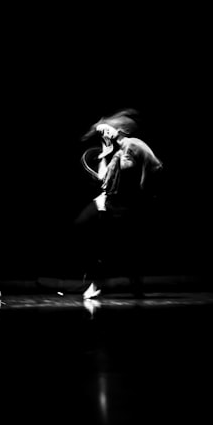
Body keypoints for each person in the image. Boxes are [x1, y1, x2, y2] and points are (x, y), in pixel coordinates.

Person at [75, 108, 164, 299]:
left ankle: (120, 284)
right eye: (102, 131)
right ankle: (105, 282)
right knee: (93, 234)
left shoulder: (131, 144)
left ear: (121, 130)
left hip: (125, 205)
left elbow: (130, 167)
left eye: (107, 129)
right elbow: (102, 177)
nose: (104, 133)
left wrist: (114, 154)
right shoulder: (117, 150)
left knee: (122, 246)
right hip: (110, 202)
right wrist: (105, 153)